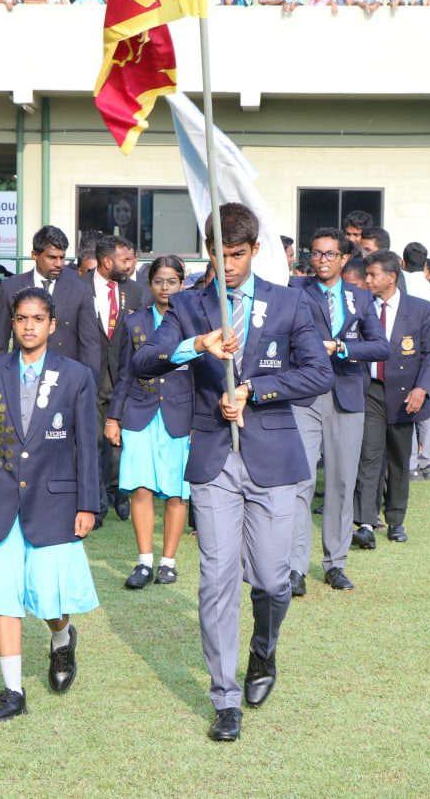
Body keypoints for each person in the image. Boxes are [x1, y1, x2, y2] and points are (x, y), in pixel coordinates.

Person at [131, 202, 332, 742]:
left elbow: (319, 373)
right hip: (214, 461)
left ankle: (263, 653)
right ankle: (224, 698)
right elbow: (142, 361)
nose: (230, 264)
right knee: (216, 580)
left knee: (271, 579)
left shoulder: (289, 302)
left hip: (274, 457)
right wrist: (195, 345)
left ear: (255, 250)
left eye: (239, 254)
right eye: (220, 254)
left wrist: (254, 390)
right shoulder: (190, 304)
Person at [0, 287, 100, 723]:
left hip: (54, 501)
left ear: (52, 326)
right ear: (12, 324)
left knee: (48, 598)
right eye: (21, 319)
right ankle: (13, 691)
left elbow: (86, 448)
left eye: (38, 318)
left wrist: (88, 503)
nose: (30, 326)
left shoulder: (76, 376)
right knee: (4, 595)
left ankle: (61, 637)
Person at [288, 228, 389, 594]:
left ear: (344, 258)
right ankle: (295, 567)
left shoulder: (360, 298)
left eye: (331, 254)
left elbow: (381, 347)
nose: (323, 260)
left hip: (347, 395)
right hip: (303, 395)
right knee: (301, 481)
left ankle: (335, 564)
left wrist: (344, 348)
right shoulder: (294, 291)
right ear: (309, 257)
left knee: (342, 482)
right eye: (317, 254)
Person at [106, 256, 192, 589]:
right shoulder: (134, 322)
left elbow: (201, 377)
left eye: (172, 281)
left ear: (182, 284)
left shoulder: (193, 321)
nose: (165, 288)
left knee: (175, 492)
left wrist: (200, 423)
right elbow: (124, 372)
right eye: (159, 281)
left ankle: (168, 563)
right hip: (139, 413)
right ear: (149, 284)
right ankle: (144, 561)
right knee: (140, 488)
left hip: (179, 415)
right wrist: (114, 416)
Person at [354, 249, 430, 545]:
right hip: (371, 391)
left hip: (406, 394)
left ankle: (395, 520)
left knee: (399, 459)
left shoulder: (419, 308)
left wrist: (421, 389)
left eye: (373, 274)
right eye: (366, 274)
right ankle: (365, 521)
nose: (367, 280)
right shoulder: (362, 305)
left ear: (391, 278)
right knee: (369, 456)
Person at [0, 226, 102, 386]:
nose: (59, 264)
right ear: (34, 255)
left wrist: (89, 386)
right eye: (52, 257)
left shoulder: (80, 290)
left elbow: (90, 345)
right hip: (22, 379)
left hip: (66, 381)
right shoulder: (11, 288)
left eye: (62, 258)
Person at [86, 234, 147, 527]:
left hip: (124, 377)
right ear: (107, 261)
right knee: (92, 441)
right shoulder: (77, 287)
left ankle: (120, 495)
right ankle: (96, 504)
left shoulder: (136, 292)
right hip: (88, 377)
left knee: (120, 442)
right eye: (125, 260)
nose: (131, 265)